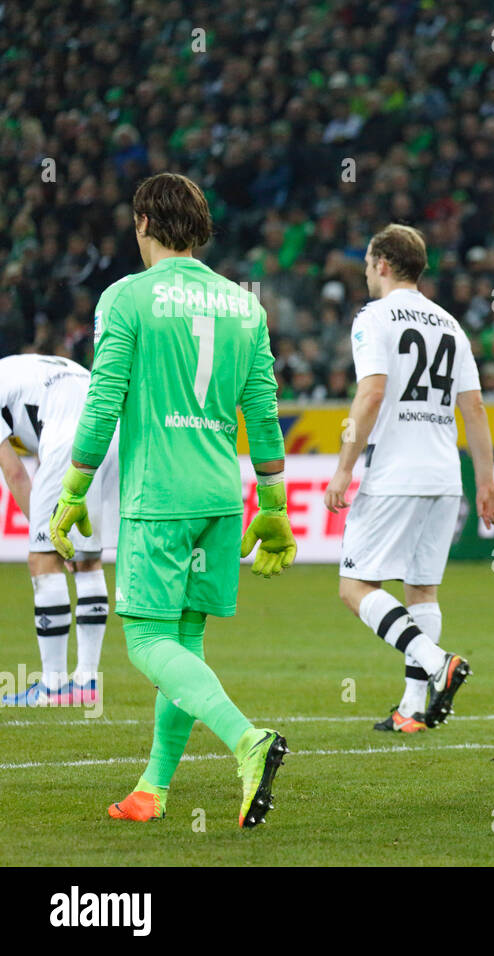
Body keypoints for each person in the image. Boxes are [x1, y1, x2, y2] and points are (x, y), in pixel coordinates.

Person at [51, 172, 296, 828]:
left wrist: (72, 489)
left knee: (146, 643)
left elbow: (104, 402)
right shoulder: (245, 306)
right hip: (220, 496)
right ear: (203, 229)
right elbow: (264, 413)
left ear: (141, 225)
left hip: (160, 495)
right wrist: (273, 504)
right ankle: (152, 789)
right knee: (184, 642)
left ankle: (249, 741)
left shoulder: (126, 298)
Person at [325, 224, 494, 733]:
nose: (365, 273)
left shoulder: (372, 318)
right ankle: (412, 708)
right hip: (445, 473)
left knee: (355, 585)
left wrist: (343, 468)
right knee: (421, 590)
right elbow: (474, 408)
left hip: (396, 471)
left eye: (366, 264)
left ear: (382, 264)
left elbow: (372, 392)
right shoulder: (450, 323)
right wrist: (486, 482)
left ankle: (436, 660)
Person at [0, 354, 118, 707]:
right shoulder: (21, 367)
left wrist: (47, 534)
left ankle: (51, 688)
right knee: (87, 559)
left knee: (43, 562)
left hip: (67, 438)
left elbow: (16, 474)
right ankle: (85, 683)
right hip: (110, 432)